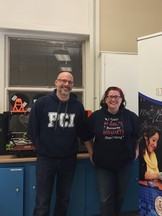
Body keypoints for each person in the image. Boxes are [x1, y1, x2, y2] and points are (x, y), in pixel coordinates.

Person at [28, 71, 87, 216]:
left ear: (73, 85)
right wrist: (41, 148)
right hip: (45, 159)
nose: (66, 84)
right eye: (63, 81)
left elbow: (82, 131)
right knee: (42, 201)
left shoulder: (78, 107)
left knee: (64, 199)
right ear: (56, 82)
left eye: (70, 82)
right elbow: (32, 129)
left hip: (68, 160)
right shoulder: (42, 103)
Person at [83, 86, 139, 216]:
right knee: (105, 199)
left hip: (124, 164)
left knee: (119, 197)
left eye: (116, 97)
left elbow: (141, 134)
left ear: (121, 100)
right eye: (110, 97)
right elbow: (85, 136)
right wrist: (91, 153)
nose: (113, 99)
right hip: (103, 165)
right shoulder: (97, 116)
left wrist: (136, 150)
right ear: (105, 99)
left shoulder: (130, 116)